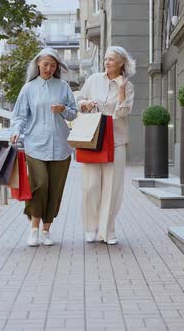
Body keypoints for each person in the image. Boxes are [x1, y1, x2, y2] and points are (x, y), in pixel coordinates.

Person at [10, 48, 78, 247]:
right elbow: (20, 116)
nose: (49, 68)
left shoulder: (63, 86)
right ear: (38, 64)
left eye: (53, 65)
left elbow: (73, 114)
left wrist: (64, 109)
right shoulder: (29, 89)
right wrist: (16, 131)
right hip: (35, 145)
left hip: (61, 147)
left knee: (55, 190)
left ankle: (46, 231)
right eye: (45, 64)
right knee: (40, 185)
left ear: (57, 67)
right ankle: (33, 229)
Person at [77, 46, 136, 245]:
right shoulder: (94, 79)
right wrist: (86, 103)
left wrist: (120, 87)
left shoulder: (127, 86)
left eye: (112, 59)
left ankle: (107, 230)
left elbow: (122, 113)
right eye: (106, 59)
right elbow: (78, 100)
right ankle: (90, 227)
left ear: (122, 63)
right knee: (90, 185)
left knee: (113, 187)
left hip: (116, 139)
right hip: (92, 136)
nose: (107, 62)